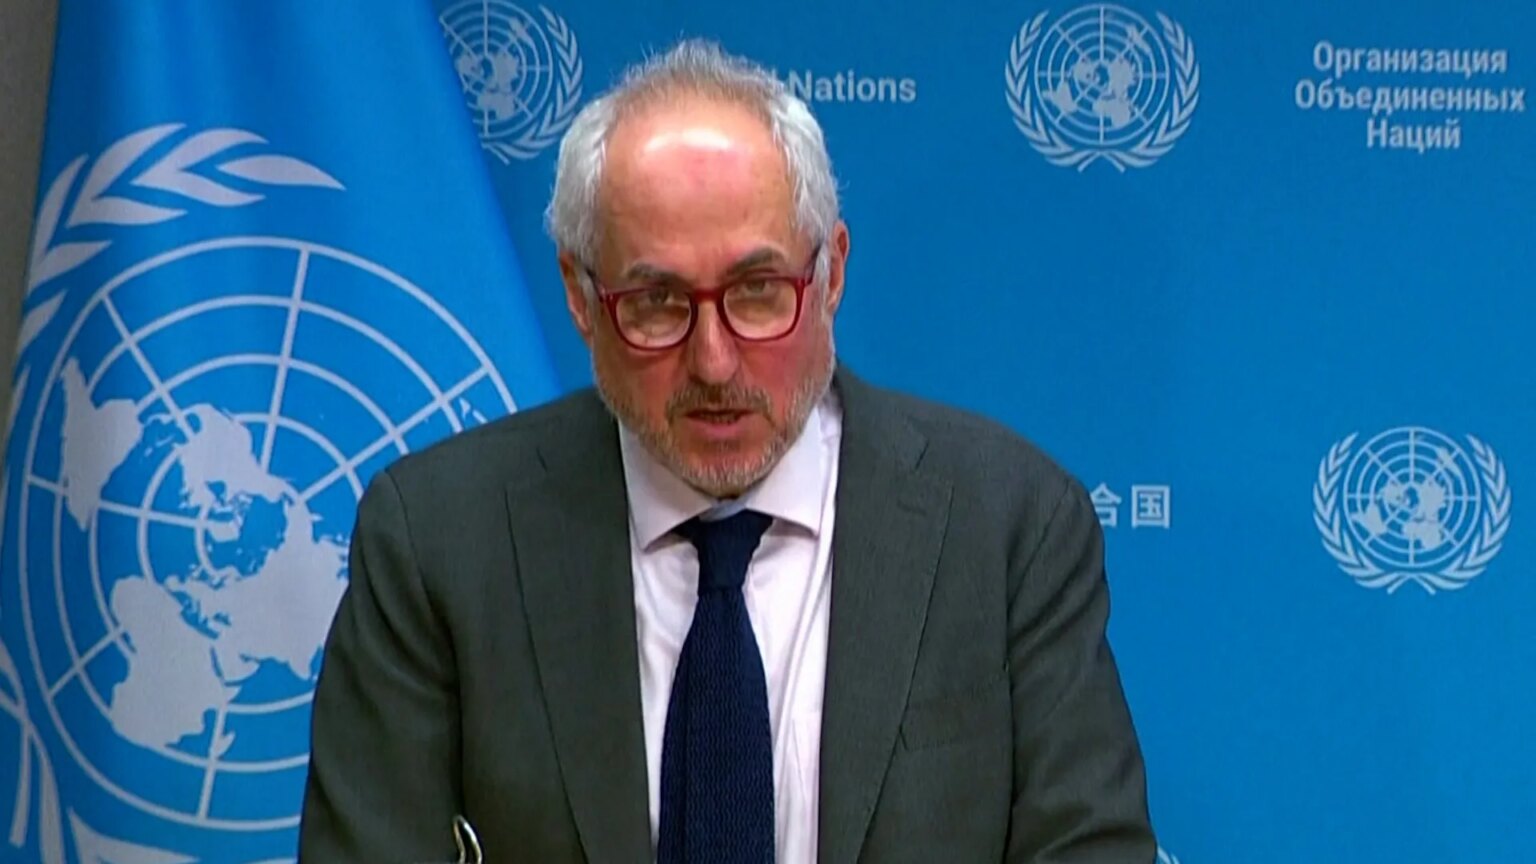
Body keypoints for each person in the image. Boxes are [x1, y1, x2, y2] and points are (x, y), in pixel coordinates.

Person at [299, 38, 1156, 864]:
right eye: (656, 302)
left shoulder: (1008, 528)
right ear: (581, 298)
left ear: (832, 274)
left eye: (757, 292)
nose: (713, 362)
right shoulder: (441, 540)